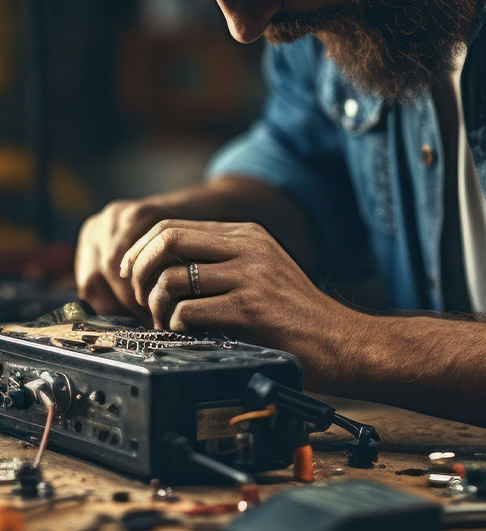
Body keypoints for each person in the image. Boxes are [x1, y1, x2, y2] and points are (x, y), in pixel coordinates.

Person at [75, 0, 486, 426]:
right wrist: (179, 221)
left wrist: (348, 341)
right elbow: (307, 175)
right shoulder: (310, 16)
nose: (243, 28)